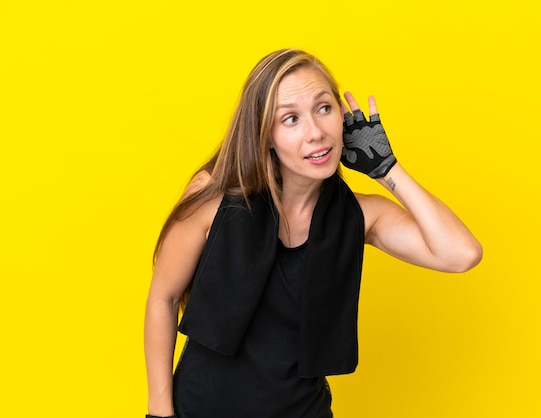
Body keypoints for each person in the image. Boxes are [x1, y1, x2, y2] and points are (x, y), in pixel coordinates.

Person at [144, 48, 482, 418]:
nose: (316, 133)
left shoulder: (362, 214)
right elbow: (164, 297)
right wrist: (160, 411)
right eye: (290, 119)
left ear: (342, 116)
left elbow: (461, 254)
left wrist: (387, 170)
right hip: (201, 409)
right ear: (265, 134)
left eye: (324, 108)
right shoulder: (215, 194)